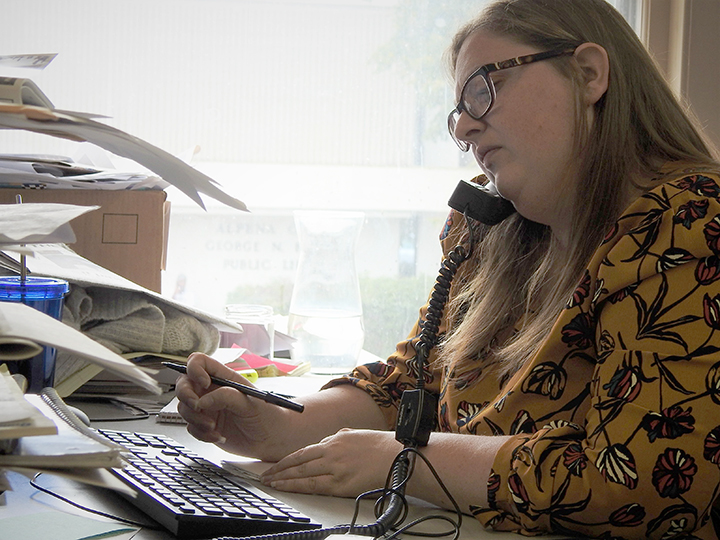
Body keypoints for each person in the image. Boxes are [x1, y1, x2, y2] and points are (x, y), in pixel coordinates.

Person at [176, 0, 720, 537]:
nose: (464, 128)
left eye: (484, 90)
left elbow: (639, 482)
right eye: (458, 109)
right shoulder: (491, 228)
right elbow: (409, 387)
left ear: (588, 73)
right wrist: (277, 425)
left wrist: (406, 461)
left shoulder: (691, 224)